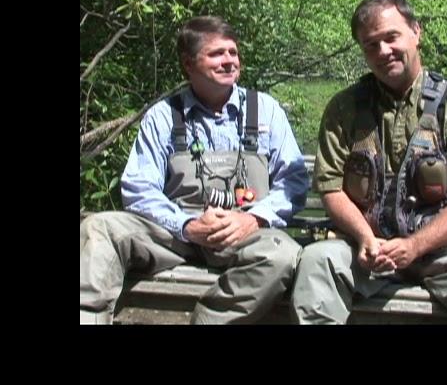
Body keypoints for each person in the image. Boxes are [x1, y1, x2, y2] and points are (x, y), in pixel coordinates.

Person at [291, 0, 447, 324]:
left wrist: (414, 246)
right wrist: (365, 239)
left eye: (391, 37)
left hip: (444, 251)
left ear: (416, 32)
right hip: (366, 250)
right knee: (316, 264)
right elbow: (331, 189)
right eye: (371, 45)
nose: (383, 51)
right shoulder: (343, 108)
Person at [80, 16, 308, 324]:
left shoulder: (265, 109)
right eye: (217, 54)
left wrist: (253, 218)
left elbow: (293, 182)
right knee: (100, 228)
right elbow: (138, 187)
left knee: (283, 255)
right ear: (188, 64)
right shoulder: (163, 116)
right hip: (177, 236)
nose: (230, 61)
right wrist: (187, 225)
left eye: (233, 52)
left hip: (246, 234)